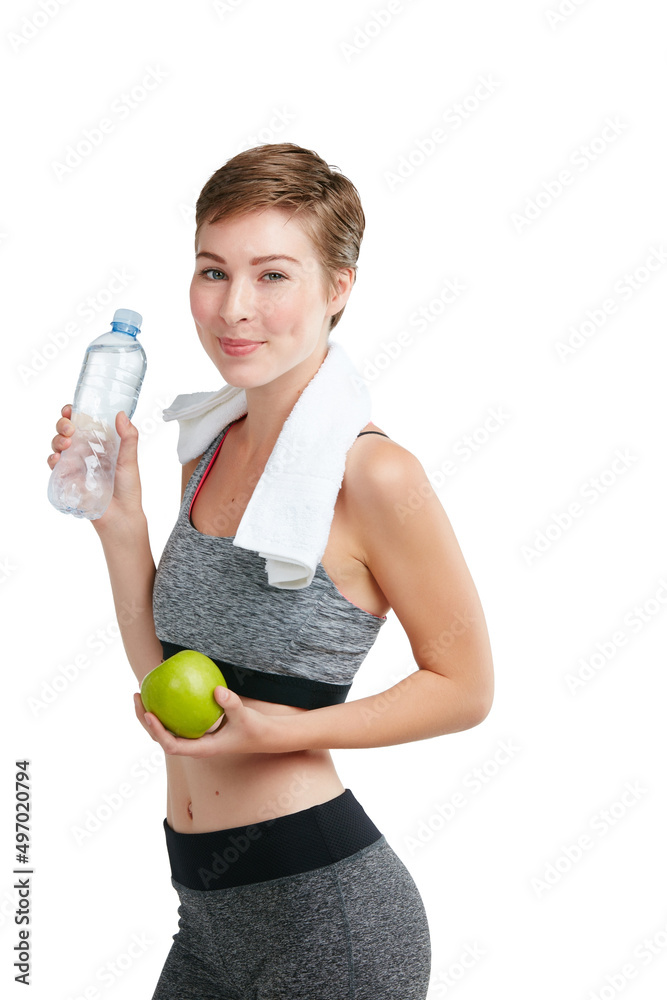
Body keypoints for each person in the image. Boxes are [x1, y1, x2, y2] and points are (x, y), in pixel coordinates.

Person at [47, 142, 494, 999]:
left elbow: (465, 687)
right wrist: (121, 521)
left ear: (338, 287)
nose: (234, 309)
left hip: (327, 919)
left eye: (273, 276)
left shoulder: (374, 477)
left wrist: (280, 732)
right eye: (212, 271)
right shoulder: (207, 449)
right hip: (206, 913)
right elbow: (172, 682)